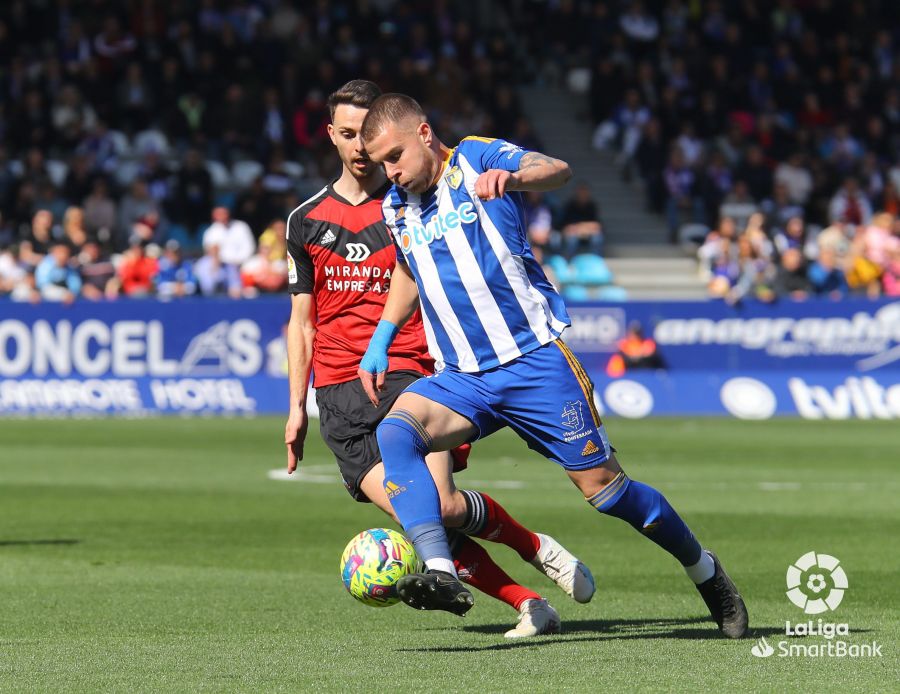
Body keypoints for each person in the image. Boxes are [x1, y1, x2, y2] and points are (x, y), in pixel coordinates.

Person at [357, 93, 748, 638]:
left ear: (424, 134)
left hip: (534, 362)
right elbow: (408, 267)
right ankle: (440, 572)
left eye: (395, 156)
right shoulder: (395, 207)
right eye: (381, 164)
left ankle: (705, 571)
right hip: (463, 375)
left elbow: (555, 170)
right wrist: (382, 336)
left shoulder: (474, 157)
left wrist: (514, 180)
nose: (391, 172)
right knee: (397, 433)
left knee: (608, 493)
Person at [284, 81, 593, 638]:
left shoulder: (410, 202)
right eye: (348, 134)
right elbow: (301, 321)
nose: (359, 147)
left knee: (443, 505)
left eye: (368, 135)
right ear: (331, 136)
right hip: (338, 390)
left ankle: (535, 547)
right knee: (420, 514)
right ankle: (530, 604)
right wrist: (295, 406)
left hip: (412, 372)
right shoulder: (305, 220)